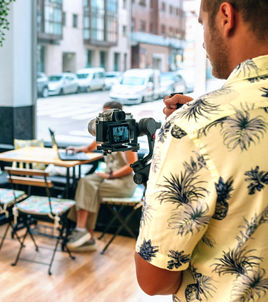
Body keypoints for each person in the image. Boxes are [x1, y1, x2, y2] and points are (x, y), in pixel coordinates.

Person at [134, 1, 268, 301]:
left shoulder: (193, 129)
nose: (203, 40)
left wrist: (189, 136)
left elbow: (154, 279)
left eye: (201, 24)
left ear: (225, 16)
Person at [66, 101, 138, 252]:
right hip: (108, 177)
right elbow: (90, 147)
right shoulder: (105, 132)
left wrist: (110, 175)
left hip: (123, 183)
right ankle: (85, 235)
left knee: (89, 189)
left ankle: (83, 233)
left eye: (107, 115)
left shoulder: (125, 135)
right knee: (86, 184)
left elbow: (132, 166)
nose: (103, 119)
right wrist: (77, 149)